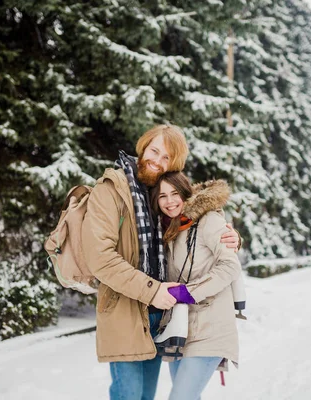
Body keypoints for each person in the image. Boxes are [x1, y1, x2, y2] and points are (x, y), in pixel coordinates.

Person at [79, 124, 240, 400]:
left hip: (159, 315)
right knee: (129, 396)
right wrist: (154, 290)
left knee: (146, 397)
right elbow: (100, 258)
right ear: (142, 148)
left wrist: (232, 236)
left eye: (166, 158)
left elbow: (200, 223)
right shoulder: (111, 189)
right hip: (126, 310)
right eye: (154, 151)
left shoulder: (160, 198)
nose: (157, 160)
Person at [151, 172, 241, 400]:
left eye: (174, 194)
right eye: (162, 196)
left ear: (185, 193)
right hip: (179, 330)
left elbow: (230, 266)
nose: (169, 201)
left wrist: (187, 292)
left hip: (210, 328)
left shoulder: (208, 220)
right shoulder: (168, 228)